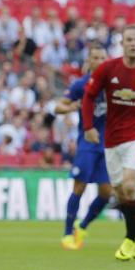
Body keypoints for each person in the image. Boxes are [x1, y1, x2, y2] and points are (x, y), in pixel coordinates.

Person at [82, 25, 135, 261]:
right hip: (112, 141)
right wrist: (88, 126)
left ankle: (131, 239)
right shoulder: (107, 69)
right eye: (129, 39)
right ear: (122, 43)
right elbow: (89, 96)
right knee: (121, 193)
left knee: (130, 186)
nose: (133, 43)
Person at [56, 44, 111, 250]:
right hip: (88, 143)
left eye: (102, 57)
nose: (99, 61)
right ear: (89, 61)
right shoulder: (81, 84)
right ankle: (67, 233)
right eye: (95, 57)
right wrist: (72, 106)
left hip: (108, 145)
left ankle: (83, 225)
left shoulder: (113, 85)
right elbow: (58, 106)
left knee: (106, 193)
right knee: (79, 187)